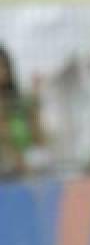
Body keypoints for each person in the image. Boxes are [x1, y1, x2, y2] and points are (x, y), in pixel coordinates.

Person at [0, 45, 46, 179]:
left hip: (26, 164)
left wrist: (34, 108)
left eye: (3, 66)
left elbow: (40, 139)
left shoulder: (19, 101)